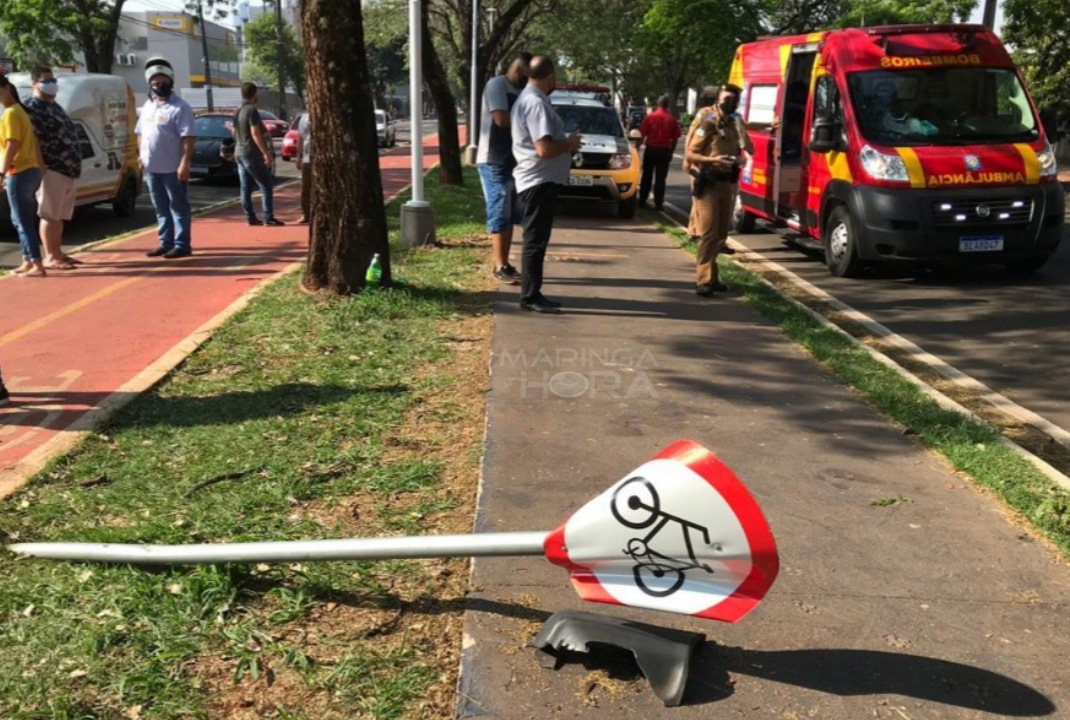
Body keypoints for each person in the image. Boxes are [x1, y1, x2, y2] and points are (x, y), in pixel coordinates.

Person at [510, 55, 582, 314]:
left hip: (538, 179)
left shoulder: (529, 99)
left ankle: (533, 292)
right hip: (538, 180)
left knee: (537, 240)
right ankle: (530, 296)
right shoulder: (535, 103)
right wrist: (570, 145)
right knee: (535, 241)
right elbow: (544, 148)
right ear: (550, 77)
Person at [686, 84, 752, 297]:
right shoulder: (708, 121)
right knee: (708, 233)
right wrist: (712, 160)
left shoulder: (735, 123)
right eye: (727, 99)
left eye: (734, 99)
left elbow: (745, 147)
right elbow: (691, 153)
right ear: (717, 100)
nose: (730, 103)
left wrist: (739, 160)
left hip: (727, 182)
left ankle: (712, 277)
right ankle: (702, 280)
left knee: (721, 234)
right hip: (708, 182)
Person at [477, 52, 531, 284]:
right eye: (526, 76)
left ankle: (506, 263)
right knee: (499, 210)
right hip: (494, 159)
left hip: (513, 160)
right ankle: (499, 265)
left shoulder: (520, 91)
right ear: (519, 70)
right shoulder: (497, 85)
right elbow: (501, 120)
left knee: (509, 213)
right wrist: (531, 127)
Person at [137, 57, 196, 258]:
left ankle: (182, 244)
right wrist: (140, 157)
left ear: (171, 82)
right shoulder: (147, 106)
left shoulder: (180, 107)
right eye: (155, 83)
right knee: (160, 208)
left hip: (173, 168)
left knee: (178, 207)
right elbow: (140, 133)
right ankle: (166, 242)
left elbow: (188, 137)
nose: (159, 86)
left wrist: (184, 163)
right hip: (151, 168)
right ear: (150, 85)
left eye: (163, 82)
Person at [25, 66, 82, 270]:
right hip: (52, 168)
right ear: (34, 83)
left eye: (53, 80)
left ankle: (58, 252)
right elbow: (34, 140)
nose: (52, 84)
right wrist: (42, 167)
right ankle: (50, 256)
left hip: (67, 169)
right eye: (46, 80)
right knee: (49, 214)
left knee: (59, 215)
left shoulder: (54, 106)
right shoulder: (32, 108)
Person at [0, 72, 46, 277]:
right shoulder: (19, 111)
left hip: (18, 171)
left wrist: (1, 172)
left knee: (22, 219)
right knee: (19, 218)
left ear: (7, 88)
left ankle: (36, 262)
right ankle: (28, 259)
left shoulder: (11, 113)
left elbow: (13, 144)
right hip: (28, 169)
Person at [233, 82, 283, 227]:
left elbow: (234, 132)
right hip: (251, 153)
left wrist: (238, 144)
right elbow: (255, 133)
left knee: (245, 187)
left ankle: (250, 217)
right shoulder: (251, 110)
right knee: (266, 185)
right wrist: (265, 153)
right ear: (254, 94)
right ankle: (268, 217)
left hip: (240, 152)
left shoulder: (237, 110)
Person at [637, 95, 680, 211]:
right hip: (664, 151)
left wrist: (636, 148)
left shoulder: (650, 117)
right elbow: (675, 138)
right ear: (667, 105)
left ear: (657, 104)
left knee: (646, 176)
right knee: (661, 179)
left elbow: (641, 135)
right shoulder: (671, 119)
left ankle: (642, 200)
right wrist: (671, 152)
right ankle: (658, 204)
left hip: (651, 149)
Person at [295, 111, 311, 224]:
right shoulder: (304, 118)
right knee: (305, 187)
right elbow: (300, 137)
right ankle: (306, 214)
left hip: (323, 157)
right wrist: (298, 156)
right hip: (307, 157)